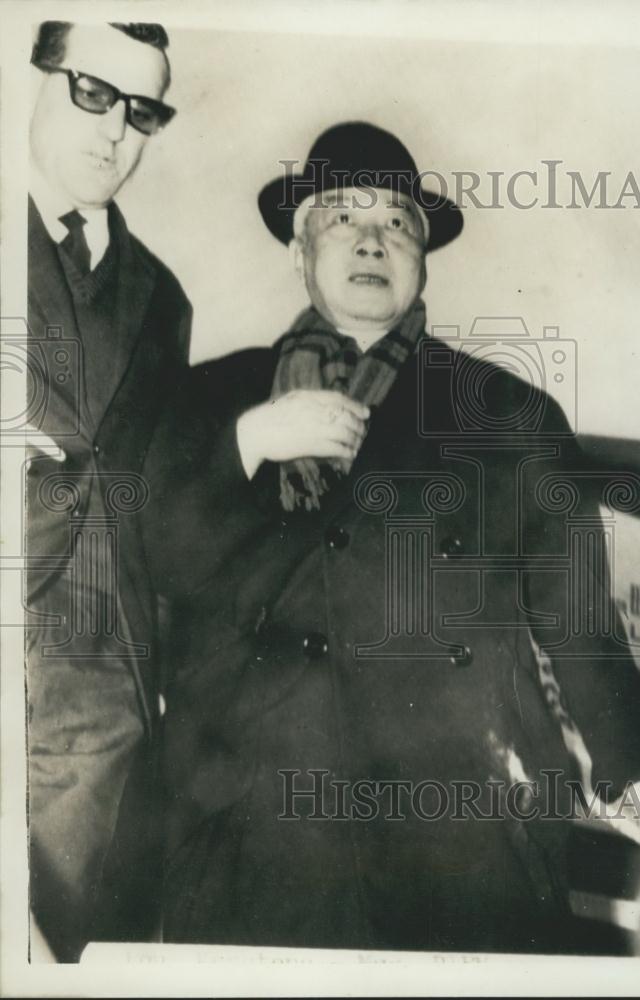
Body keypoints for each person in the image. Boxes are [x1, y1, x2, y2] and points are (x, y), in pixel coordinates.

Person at [148, 122, 640, 951]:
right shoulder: (214, 401)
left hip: (460, 831)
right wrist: (251, 443)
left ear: (423, 257)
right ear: (300, 253)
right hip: (248, 832)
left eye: (396, 222)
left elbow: (584, 637)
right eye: (341, 218)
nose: (371, 240)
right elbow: (154, 557)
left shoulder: (510, 416)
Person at [25, 20, 189, 961]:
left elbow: (160, 505)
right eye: (93, 92)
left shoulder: (162, 298)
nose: (114, 130)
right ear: (37, 77)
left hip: (98, 701)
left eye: (141, 111)